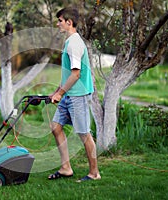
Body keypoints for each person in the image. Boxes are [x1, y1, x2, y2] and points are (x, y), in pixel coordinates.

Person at [48, 7, 101, 182]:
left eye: (60, 21)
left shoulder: (75, 44)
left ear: (69, 22)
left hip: (78, 95)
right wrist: (57, 92)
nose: (58, 24)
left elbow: (76, 74)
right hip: (68, 94)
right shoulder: (69, 42)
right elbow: (67, 72)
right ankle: (66, 168)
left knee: (84, 133)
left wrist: (60, 93)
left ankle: (94, 173)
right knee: (56, 127)